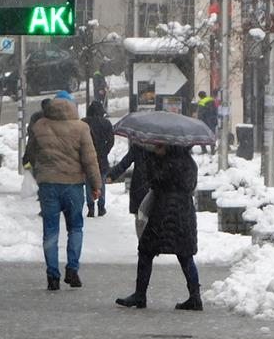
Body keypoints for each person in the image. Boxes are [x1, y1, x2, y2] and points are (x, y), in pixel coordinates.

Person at [26, 91, 101, 291]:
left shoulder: (39, 126)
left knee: (50, 230)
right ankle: (72, 270)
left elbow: (31, 154)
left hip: (48, 185)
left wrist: (41, 171)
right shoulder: (81, 128)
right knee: (75, 228)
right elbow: (90, 160)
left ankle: (52, 276)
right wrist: (96, 186)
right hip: (73, 186)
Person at [115, 144, 201, 311]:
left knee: (146, 252)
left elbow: (155, 181)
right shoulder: (190, 162)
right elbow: (190, 186)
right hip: (184, 212)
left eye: (160, 145)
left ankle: (140, 295)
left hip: (163, 211)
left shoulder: (164, 162)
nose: (156, 147)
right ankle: (195, 296)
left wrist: (152, 159)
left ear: (170, 147)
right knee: (185, 255)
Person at [83, 100, 115, 217]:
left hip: (87, 157)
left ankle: (90, 207)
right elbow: (111, 141)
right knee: (101, 182)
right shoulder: (106, 123)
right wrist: (104, 151)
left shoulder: (84, 123)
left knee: (88, 181)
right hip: (102, 158)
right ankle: (101, 207)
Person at [108, 142, 151, 215]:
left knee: (141, 217)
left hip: (140, 186)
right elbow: (125, 163)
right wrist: (112, 175)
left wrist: (112, 175)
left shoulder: (138, 146)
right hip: (149, 186)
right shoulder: (162, 146)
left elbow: (125, 163)